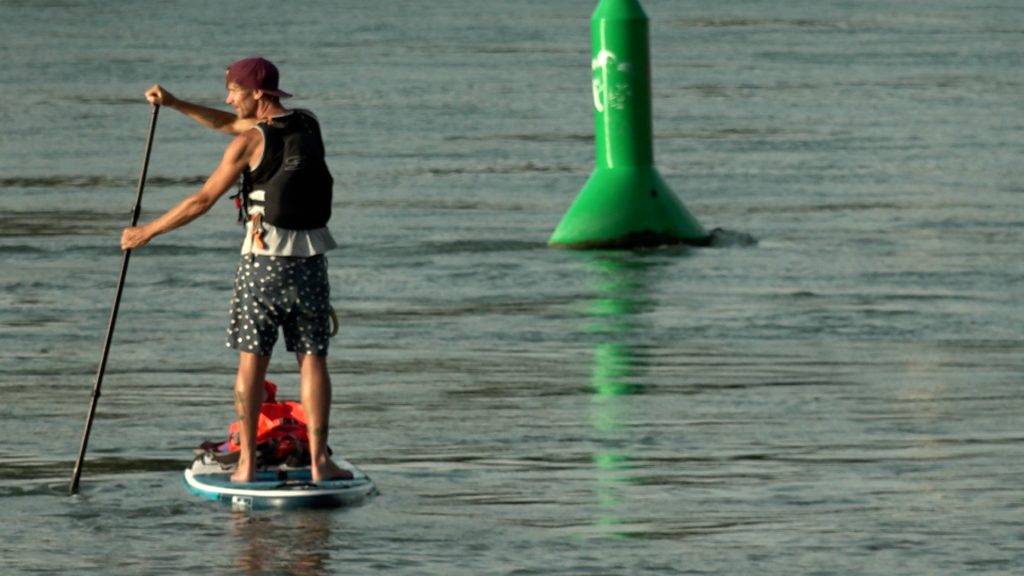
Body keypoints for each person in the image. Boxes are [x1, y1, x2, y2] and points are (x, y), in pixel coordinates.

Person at [121, 57, 351, 483]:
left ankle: (245, 465)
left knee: (252, 362)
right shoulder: (308, 123)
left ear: (257, 94)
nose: (228, 98)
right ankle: (321, 464)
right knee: (313, 360)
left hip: (263, 266)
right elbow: (232, 124)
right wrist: (175, 104)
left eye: (235, 91)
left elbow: (203, 200)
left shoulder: (246, 144)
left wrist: (146, 232)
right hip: (312, 262)